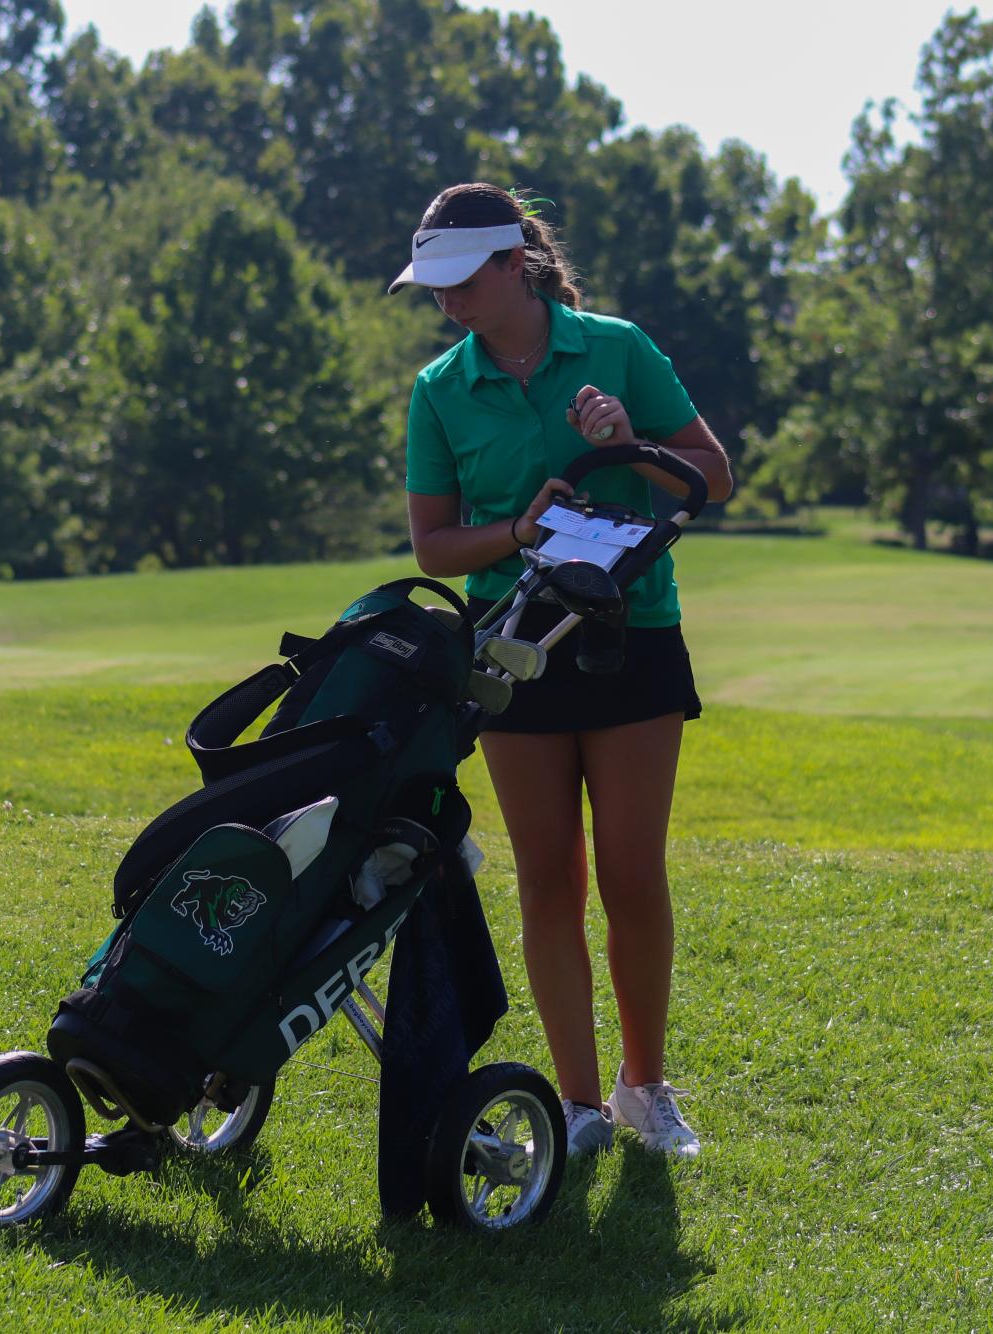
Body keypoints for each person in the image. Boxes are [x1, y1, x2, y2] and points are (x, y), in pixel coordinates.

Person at [389, 182, 733, 1160]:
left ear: (515, 265)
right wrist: (516, 529)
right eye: (435, 287)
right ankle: (579, 1105)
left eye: (461, 281)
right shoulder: (439, 389)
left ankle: (644, 1087)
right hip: (515, 645)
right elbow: (435, 546)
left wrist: (630, 440)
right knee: (548, 877)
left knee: (631, 871)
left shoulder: (618, 348)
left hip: (633, 633)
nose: (446, 302)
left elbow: (716, 475)